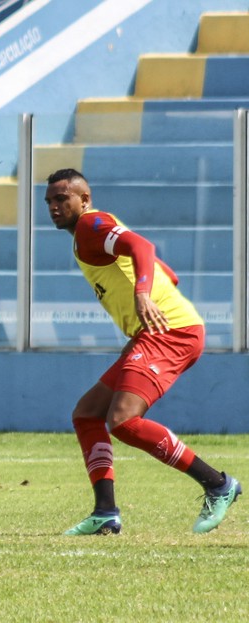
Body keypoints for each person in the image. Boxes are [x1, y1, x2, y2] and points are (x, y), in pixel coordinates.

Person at [44, 168, 240, 535]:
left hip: (169, 332)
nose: (54, 206)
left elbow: (143, 248)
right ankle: (105, 512)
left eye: (62, 198)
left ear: (84, 199)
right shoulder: (86, 236)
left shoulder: (91, 224)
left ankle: (217, 483)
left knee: (123, 420)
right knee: (87, 414)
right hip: (156, 333)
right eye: (50, 201)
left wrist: (142, 294)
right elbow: (167, 272)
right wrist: (150, 286)